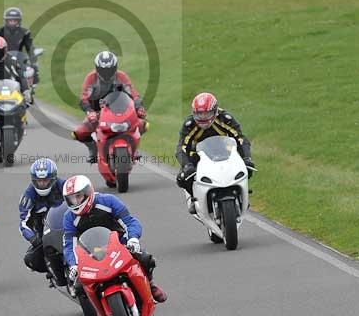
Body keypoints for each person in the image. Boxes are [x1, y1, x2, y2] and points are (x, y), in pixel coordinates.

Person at [62, 174, 167, 303]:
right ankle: (98, 308)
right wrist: (74, 264)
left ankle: (150, 285)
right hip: (92, 252)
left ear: (88, 192)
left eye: (78, 196)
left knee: (146, 259)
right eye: (71, 199)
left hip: (119, 243)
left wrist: (132, 239)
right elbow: (69, 244)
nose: (75, 202)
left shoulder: (108, 201)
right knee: (78, 287)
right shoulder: (69, 217)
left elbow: (130, 222)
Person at [175, 92, 254, 214]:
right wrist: (187, 166)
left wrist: (247, 158)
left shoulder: (225, 118)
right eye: (199, 114)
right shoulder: (189, 125)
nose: (203, 118)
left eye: (207, 113)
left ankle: (241, 195)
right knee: (182, 178)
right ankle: (194, 197)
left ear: (215, 111)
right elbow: (181, 148)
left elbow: (241, 139)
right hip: (199, 155)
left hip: (224, 151)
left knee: (247, 167)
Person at [73, 50, 147, 163]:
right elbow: (84, 98)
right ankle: (93, 149)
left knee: (143, 125)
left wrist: (138, 107)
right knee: (79, 133)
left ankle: (134, 149)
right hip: (98, 113)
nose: (106, 73)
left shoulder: (121, 76)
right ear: (97, 68)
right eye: (103, 70)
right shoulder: (91, 78)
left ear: (115, 68)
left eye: (109, 70)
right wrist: (90, 111)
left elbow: (134, 94)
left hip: (121, 111)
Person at [19, 158, 66, 273]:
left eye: (45, 180)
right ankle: (53, 270)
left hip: (67, 224)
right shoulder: (28, 196)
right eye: (38, 181)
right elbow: (23, 222)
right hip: (43, 231)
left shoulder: (65, 186)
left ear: (53, 178)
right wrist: (33, 239)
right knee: (31, 260)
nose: (42, 184)